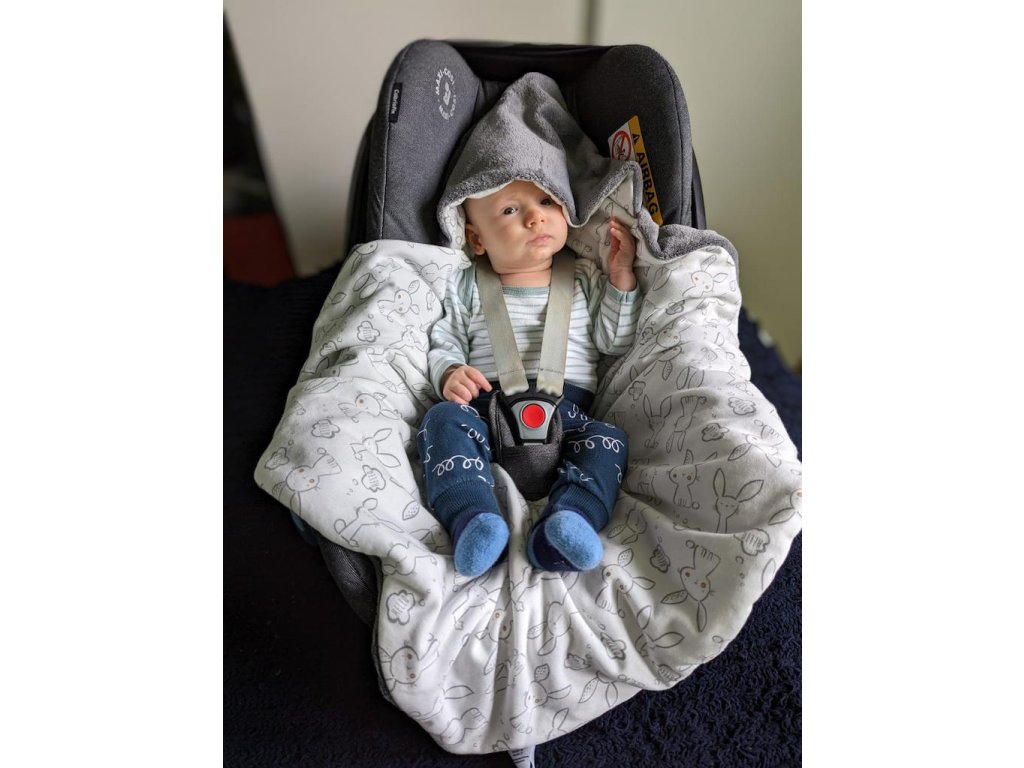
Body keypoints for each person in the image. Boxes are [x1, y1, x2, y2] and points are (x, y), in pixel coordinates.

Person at [416, 179, 641, 577]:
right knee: (441, 420)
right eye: (510, 210)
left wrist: (621, 276)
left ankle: (568, 524)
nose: (535, 216)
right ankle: (473, 518)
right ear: (477, 239)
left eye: (546, 201)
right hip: (485, 409)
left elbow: (615, 341)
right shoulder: (467, 283)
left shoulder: (585, 277)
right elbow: (446, 340)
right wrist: (450, 372)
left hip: (568, 418)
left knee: (609, 440)